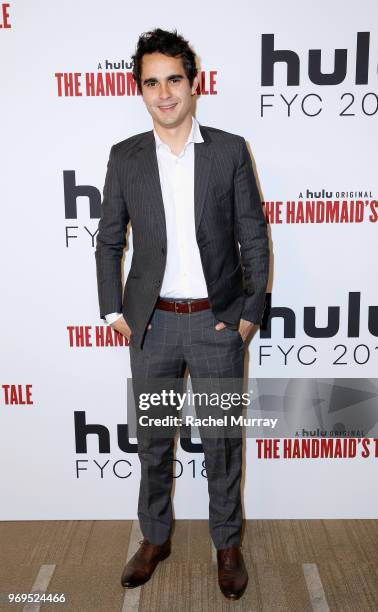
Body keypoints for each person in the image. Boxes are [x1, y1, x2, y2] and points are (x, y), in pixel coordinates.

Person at [95, 27, 269, 601]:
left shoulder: (228, 150)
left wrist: (249, 314)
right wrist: (112, 311)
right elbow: (108, 243)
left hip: (219, 324)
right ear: (140, 90)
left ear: (194, 84)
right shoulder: (125, 157)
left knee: (221, 442)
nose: (164, 92)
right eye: (152, 82)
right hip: (152, 327)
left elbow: (253, 236)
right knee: (152, 442)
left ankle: (227, 544)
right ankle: (156, 537)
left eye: (174, 79)